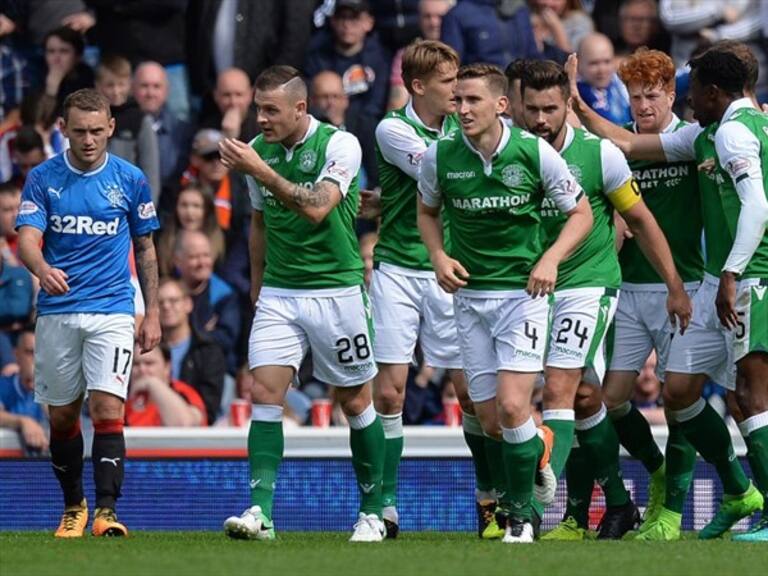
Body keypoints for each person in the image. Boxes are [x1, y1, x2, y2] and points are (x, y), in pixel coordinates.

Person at [564, 41, 765, 541]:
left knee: (746, 399)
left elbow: (756, 204)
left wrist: (730, 273)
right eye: (636, 96)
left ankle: (678, 512)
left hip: (707, 283)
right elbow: (626, 148)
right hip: (647, 289)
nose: (650, 103)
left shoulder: (723, 134)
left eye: (668, 91)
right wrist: (578, 104)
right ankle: (736, 491)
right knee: (680, 394)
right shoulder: (702, 138)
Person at [516, 59, 692, 541]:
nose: (540, 119)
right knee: (591, 397)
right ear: (514, 106)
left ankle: (531, 512)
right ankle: (617, 502)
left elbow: (640, 221)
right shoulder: (508, 155)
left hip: (589, 285)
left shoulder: (602, 155)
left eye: (551, 108)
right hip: (528, 288)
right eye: (531, 109)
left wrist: (676, 283)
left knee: (563, 390)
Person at [417, 63, 593, 543]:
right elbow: (427, 212)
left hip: (523, 295)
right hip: (470, 299)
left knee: (515, 408)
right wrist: (437, 255)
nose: (463, 109)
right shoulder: (440, 157)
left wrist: (551, 259)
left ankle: (520, 517)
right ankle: (540, 446)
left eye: (473, 100)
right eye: (457, 101)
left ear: (500, 105)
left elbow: (581, 214)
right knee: (491, 419)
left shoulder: (533, 153)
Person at [218, 65, 385, 542]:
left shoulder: (339, 145)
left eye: (271, 110)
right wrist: (257, 285)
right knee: (264, 394)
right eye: (257, 109)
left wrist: (261, 170)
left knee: (355, 401)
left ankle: (371, 512)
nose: (261, 118)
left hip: (337, 290)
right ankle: (261, 512)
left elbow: (316, 207)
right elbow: (258, 224)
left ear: (300, 108)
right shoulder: (258, 152)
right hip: (280, 291)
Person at [14, 88, 161, 538]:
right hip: (58, 310)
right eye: (79, 131)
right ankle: (74, 506)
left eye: (98, 130)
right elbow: (25, 238)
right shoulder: (43, 177)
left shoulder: (131, 178)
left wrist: (150, 312)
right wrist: (42, 268)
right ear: (63, 129)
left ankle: (107, 512)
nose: (89, 139)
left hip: (113, 309)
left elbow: (146, 247)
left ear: (111, 128)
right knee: (62, 416)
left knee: (106, 405)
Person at [371, 40, 501, 540]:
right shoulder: (392, 128)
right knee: (389, 389)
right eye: (449, 83)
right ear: (419, 86)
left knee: (470, 391)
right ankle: (384, 507)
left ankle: (488, 498)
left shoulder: (460, 125)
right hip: (399, 269)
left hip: (452, 269)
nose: (458, 92)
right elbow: (440, 170)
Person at [158, 277, 227, 425]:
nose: (166, 306)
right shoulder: (146, 350)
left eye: (173, 300)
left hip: (196, 431)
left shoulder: (208, 350)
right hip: (150, 427)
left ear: (188, 304)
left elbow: (209, 405)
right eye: (160, 302)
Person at [173, 230, 240, 375]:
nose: (202, 263)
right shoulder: (167, 293)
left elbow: (226, 339)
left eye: (206, 255)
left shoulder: (224, 295)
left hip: (216, 371)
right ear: (178, 260)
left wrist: (186, 334)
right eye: (194, 257)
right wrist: (205, 332)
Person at [388, 0, 454, 111]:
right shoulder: (407, 55)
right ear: (419, 20)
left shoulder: (467, 51)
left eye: (440, 17)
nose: (433, 23)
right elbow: (397, 103)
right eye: (427, 17)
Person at [125, 342, 207, 427]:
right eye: (136, 364)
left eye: (149, 363)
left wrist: (152, 384)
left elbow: (185, 425)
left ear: (167, 367)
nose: (142, 369)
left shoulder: (184, 392)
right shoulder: (123, 399)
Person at [440, 0, 540, 67]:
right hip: (483, 89)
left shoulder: (520, 10)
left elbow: (533, 56)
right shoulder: (457, 15)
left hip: (521, 87)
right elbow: (451, 65)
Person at [156, 185, 226, 277]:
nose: (189, 212)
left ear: (207, 210)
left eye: (196, 206)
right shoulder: (160, 239)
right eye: (184, 205)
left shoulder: (225, 241)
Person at [0, 327, 47, 454]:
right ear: (16, 355)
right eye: (30, 352)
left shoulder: (58, 388)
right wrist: (23, 421)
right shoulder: (4, 385)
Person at [576, 33, 631, 125]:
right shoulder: (572, 95)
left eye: (607, 62)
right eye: (594, 63)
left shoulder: (624, 84)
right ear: (579, 63)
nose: (602, 70)